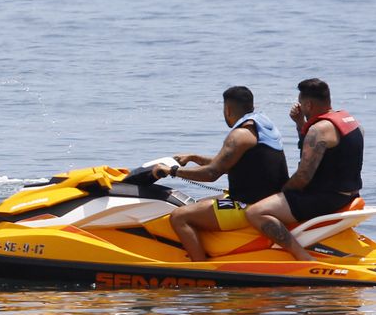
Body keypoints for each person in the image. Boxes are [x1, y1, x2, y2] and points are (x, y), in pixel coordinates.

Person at [151, 85, 289, 261]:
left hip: (249, 206)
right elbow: (227, 163)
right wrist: (194, 157)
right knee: (197, 203)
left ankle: (199, 267)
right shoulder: (262, 126)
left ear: (228, 109)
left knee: (179, 216)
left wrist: (172, 171)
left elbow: (211, 173)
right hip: (270, 200)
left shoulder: (239, 135)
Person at [244, 78, 364, 261]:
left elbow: (303, 177)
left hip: (327, 199)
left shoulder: (318, 130)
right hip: (350, 194)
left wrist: (281, 191)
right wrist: (301, 123)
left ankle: (302, 256)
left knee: (255, 212)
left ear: (308, 104)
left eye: (301, 103)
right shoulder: (350, 121)